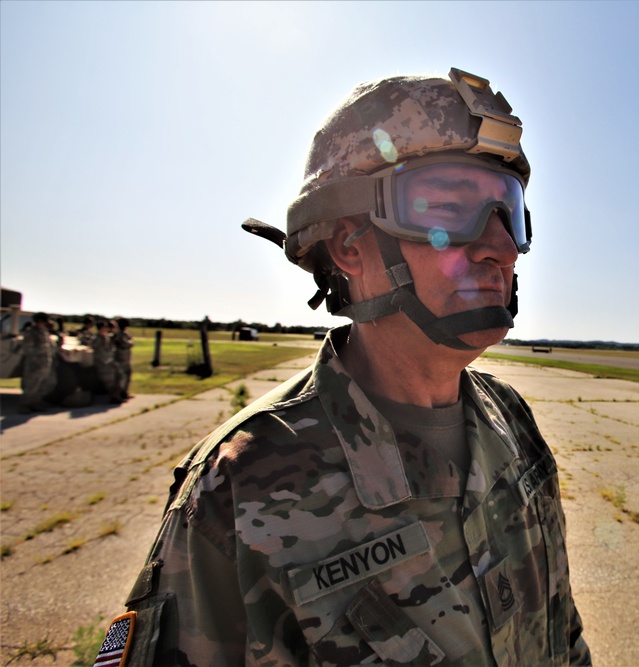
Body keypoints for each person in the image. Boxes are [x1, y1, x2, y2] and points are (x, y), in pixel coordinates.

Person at [101, 67, 589, 666]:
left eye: (506, 212)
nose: (501, 247)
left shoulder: (514, 423)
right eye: (446, 208)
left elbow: (563, 633)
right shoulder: (242, 487)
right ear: (348, 245)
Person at [18, 312, 57, 412]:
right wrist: (36, 362)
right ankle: (25, 405)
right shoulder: (31, 333)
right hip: (34, 365)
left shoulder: (43, 332)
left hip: (44, 364)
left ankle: (35, 403)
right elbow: (28, 349)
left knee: (43, 385)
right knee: (31, 386)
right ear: (39, 321)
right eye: (44, 321)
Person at [92, 319, 123, 404]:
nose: (106, 328)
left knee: (119, 375)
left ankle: (119, 395)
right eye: (105, 327)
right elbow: (99, 351)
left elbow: (111, 348)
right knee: (109, 380)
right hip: (102, 362)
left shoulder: (107, 337)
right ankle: (114, 397)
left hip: (110, 361)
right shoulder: (97, 338)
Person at [113, 317, 134, 399]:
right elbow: (125, 344)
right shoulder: (118, 334)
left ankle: (125, 393)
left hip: (126, 358)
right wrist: (129, 343)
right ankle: (119, 394)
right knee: (121, 378)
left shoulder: (126, 334)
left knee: (127, 375)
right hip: (120, 358)